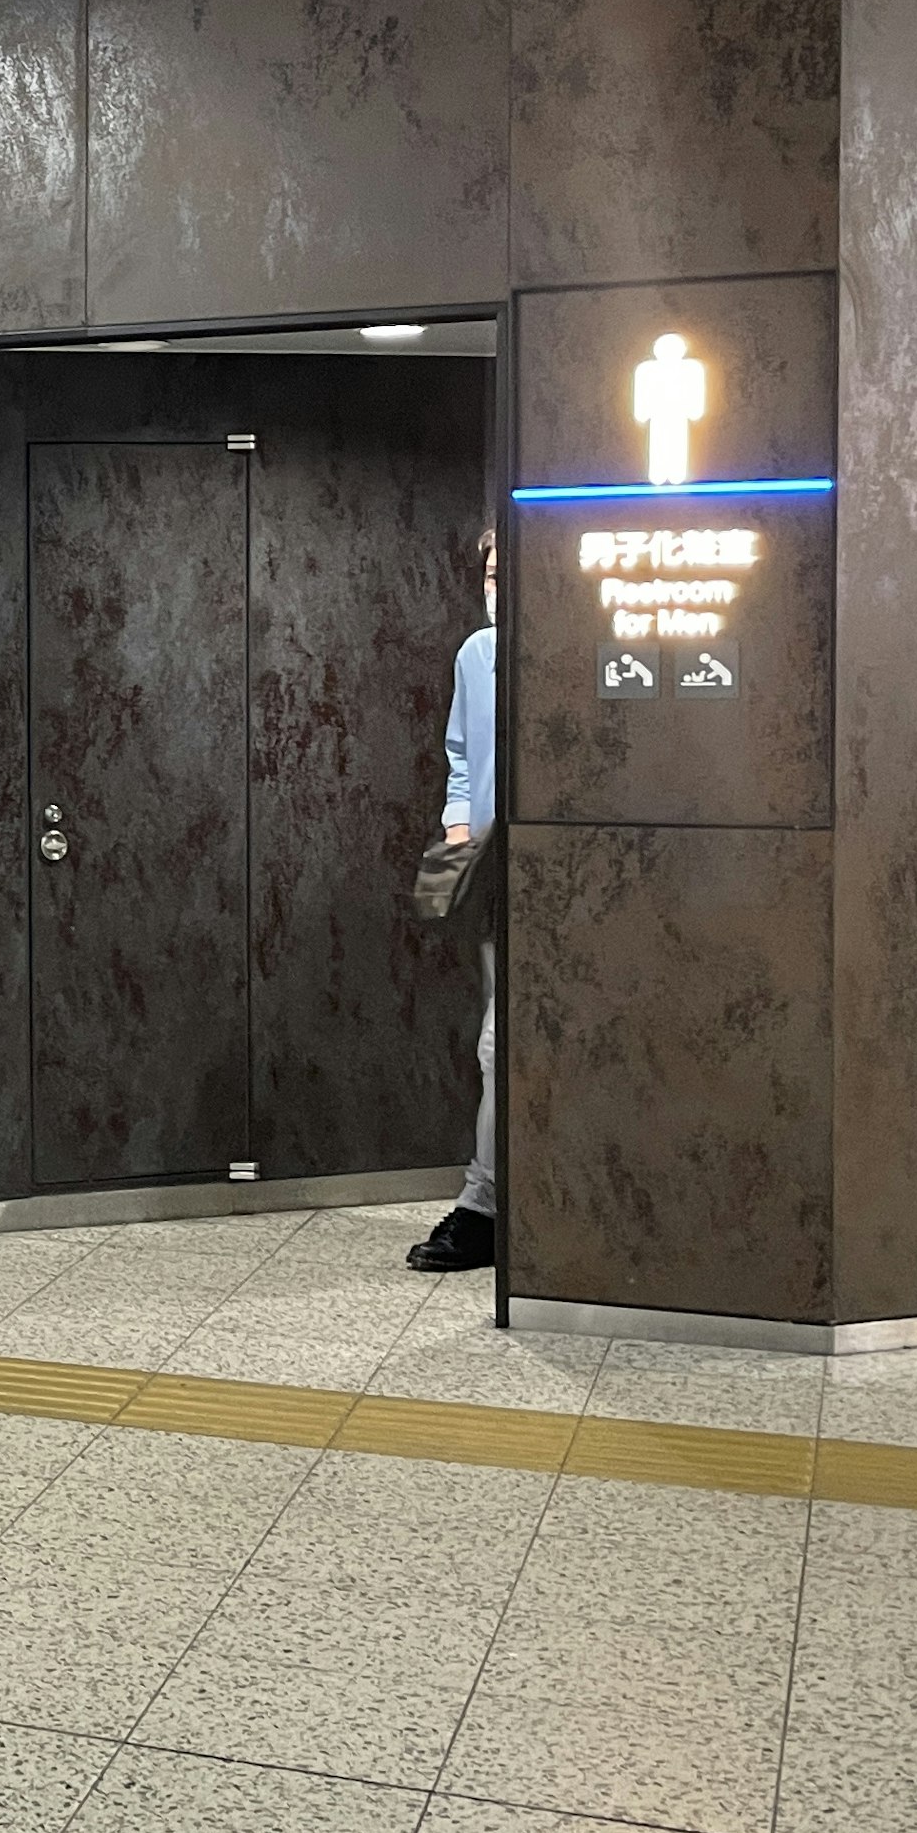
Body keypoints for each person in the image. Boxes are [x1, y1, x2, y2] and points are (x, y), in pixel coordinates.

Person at [411, 528, 499, 1274]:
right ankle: (485, 1204)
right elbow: (463, 757)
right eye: (491, 572)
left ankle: (488, 1203)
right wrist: (459, 829)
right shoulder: (478, 654)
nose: (498, 587)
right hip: (496, 872)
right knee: (496, 1044)